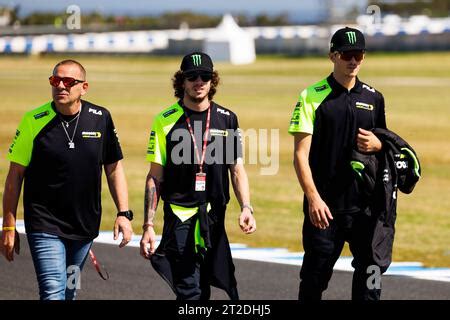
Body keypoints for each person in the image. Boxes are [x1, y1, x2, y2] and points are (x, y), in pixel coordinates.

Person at [1, 59, 133, 300]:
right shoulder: (33, 120)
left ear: (84, 87)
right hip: (45, 224)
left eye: (68, 82)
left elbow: (113, 168)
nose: (61, 86)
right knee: (53, 292)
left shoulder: (100, 118)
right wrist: (9, 225)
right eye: (55, 80)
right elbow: (14, 177)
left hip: (84, 227)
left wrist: (123, 214)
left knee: (70, 292)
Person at [140, 52, 256, 300]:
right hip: (180, 214)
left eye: (205, 76)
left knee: (208, 282)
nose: (198, 81)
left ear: (213, 80)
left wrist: (246, 206)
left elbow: (236, 169)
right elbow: (155, 177)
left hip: (214, 215)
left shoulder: (227, 119)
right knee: (189, 288)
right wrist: (148, 225)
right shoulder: (165, 120)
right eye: (192, 76)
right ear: (181, 81)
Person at [289, 27, 387, 300]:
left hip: (365, 208)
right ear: (333, 56)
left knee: (371, 274)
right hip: (325, 208)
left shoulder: (374, 97)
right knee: (314, 279)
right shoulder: (311, 96)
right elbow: (300, 154)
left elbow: (385, 145)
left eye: (359, 55)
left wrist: (378, 145)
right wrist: (313, 199)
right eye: (347, 55)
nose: (353, 61)